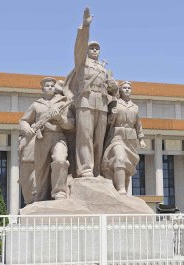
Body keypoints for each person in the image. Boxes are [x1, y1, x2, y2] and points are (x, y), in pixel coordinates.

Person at [64, 7, 118, 178]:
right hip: (85, 102)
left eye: (97, 49)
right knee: (84, 136)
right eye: (92, 48)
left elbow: (111, 90)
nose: (94, 51)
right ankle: (85, 168)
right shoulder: (81, 64)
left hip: (101, 104)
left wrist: (113, 85)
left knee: (98, 139)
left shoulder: (103, 69)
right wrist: (85, 27)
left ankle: (96, 171)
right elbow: (79, 47)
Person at [19, 77, 74, 201]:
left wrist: (60, 118)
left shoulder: (62, 103)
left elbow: (71, 124)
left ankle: (59, 192)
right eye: (47, 85)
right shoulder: (36, 105)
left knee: (60, 161)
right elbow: (24, 121)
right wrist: (27, 128)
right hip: (42, 138)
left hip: (58, 136)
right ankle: (41, 195)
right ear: (42, 89)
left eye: (52, 85)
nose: (50, 87)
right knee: (41, 169)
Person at [101, 81, 146, 194]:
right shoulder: (115, 103)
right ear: (120, 90)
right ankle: (121, 189)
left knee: (127, 166)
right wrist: (112, 115)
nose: (127, 89)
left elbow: (138, 124)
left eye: (129, 88)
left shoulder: (135, 107)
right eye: (124, 88)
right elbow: (106, 123)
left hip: (131, 139)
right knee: (120, 158)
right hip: (117, 136)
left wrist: (141, 139)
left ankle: (122, 190)